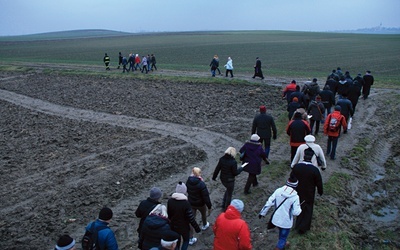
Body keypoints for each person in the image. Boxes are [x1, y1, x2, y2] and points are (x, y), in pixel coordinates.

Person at [258, 174, 302, 250]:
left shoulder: (278, 191)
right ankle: (281, 244)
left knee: (281, 234)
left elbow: (269, 202)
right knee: (283, 237)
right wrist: (300, 209)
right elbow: (296, 212)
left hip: (276, 219)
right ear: (296, 186)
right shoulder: (295, 197)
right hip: (286, 222)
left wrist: (262, 213)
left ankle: (283, 243)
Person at [291, 148, 323, 235]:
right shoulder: (314, 170)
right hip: (309, 192)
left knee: (298, 206)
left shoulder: (297, 167)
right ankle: (303, 227)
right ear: (312, 157)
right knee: (308, 208)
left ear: (304, 156)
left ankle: (297, 224)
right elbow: (319, 182)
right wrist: (320, 191)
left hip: (297, 191)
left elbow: (291, 179)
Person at [167, 182, 201, 249]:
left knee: (177, 242)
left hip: (173, 226)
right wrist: (197, 228)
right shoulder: (186, 203)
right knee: (186, 240)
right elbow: (191, 218)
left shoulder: (170, 201)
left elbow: (169, 215)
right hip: (184, 227)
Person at [212, 147, 243, 211]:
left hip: (223, 179)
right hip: (230, 180)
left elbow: (217, 169)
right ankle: (225, 208)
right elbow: (235, 173)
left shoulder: (222, 159)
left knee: (228, 190)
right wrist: (241, 168)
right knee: (229, 194)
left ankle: (223, 204)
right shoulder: (233, 162)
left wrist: (214, 177)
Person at [186, 167, 212, 241]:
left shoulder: (188, 181)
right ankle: (204, 225)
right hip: (200, 204)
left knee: (191, 220)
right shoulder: (201, 183)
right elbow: (206, 196)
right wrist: (209, 206)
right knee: (203, 214)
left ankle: (190, 237)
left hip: (191, 203)